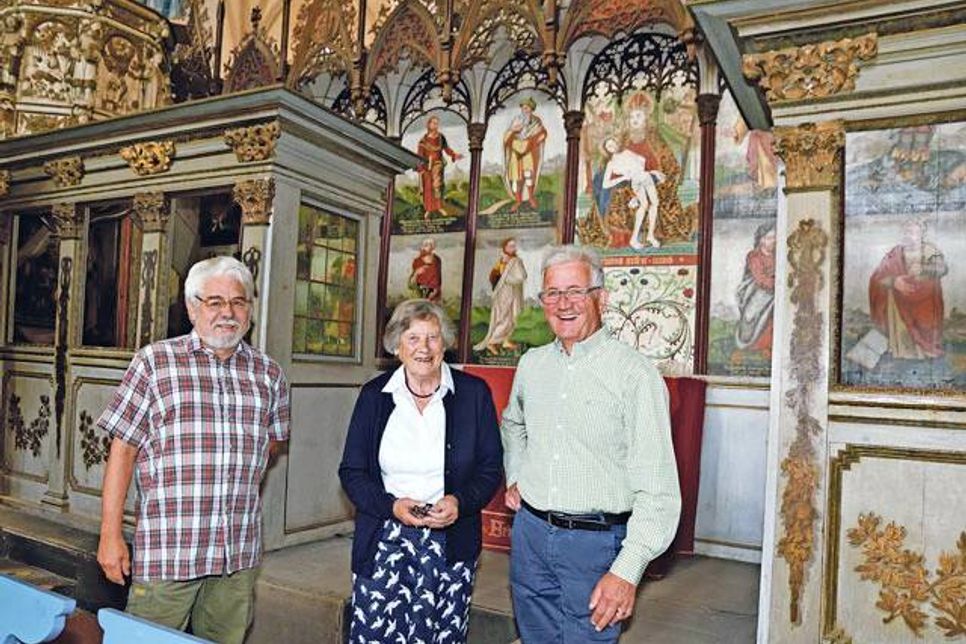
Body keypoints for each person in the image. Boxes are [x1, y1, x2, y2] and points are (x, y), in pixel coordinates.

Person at [96, 256, 290, 644]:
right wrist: (110, 534)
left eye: (239, 302)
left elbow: (269, 447)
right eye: (214, 302)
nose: (228, 313)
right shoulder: (155, 363)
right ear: (191, 307)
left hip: (236, 556)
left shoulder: (269, 374)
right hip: (170, 550)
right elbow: (124, 450)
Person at [502, 245, 680, 643]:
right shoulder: (531, 365)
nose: (563, 304)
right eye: (553, 293)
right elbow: (513, 423)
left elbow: (659, 488)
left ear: (600, 297)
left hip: (595, 547)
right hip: (529, 537)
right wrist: (516, 474)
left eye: (575, 291)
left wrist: (626, 570)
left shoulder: (635, 375)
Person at [339, 299, 503, 644]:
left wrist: (460, 501)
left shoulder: (473, 394)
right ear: (397, 346)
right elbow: (351, 472)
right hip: (385, 540)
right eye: (413, 338)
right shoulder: (374, 396)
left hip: (450, 543)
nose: (424, 348)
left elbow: (490, 468)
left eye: (433, 338)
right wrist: (392, 507)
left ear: (445, 343)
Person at [868, 218, 947, 360]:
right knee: (901, 324)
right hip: (899, 301)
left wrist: (924, 269)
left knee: (926, 326)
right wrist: (894, 281)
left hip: (925, 299)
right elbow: (878, 276)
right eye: (905, 231)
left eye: (911, 232)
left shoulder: (930, 250)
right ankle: (902, 350)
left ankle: (925, 350)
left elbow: (942, 268)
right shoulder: (895, 253)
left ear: (921, 234)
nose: (908, 235)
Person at [600, 137, 665, 249]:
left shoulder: (627, 152)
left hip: (645, 177)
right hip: (637, 181)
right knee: (645, 205)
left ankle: (649, 235)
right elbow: (605, 184)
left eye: (613, 144)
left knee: (654, 203)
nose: (613, 147)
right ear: (607, 150)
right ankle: (636, 238)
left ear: (617, 143)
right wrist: (623, 178)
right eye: (609, 146)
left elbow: (641, 162)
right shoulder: (611, 164)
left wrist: (652, 172)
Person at [474, 238, 527, 355]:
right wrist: (503, 274)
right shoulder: (502, 261)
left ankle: (505, 340)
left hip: (512, 292)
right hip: (503, 293)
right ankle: (492, 342)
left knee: (511, 318)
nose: (513, 248)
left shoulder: (516, 260)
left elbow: (522, 276)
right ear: (505, 247)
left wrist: (508, 277)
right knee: (503, 317)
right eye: (510, 246)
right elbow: (494, 276)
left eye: (514, 246)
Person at [734, 222, 777, 357]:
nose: (773, 241)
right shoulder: (754, 256)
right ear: (761, 239)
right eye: (769, 238)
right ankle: (751, 345)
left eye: (774, 238)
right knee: (751, 316)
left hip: (775, 291)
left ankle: (769, 346)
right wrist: (776, 284)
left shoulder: (779, 254)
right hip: (756, 291)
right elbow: (760, 278)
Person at [503, 97, 547, 212]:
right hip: (516, 151)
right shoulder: (517, 120)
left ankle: (531, 198)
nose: (524, 110)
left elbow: (542, 133)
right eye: (523, 108)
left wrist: (532, 142)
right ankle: (518, 200)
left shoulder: (536, 121)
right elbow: (506, 137)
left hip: (528, 151)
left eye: (526, 108)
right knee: (516, 178)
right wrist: (513, 130)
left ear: (531, 109)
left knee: (528, 175)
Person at [417, 115, 463, 220]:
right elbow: (419, 156)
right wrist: (421, 169)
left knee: (437, 186)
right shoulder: (423, 141)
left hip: (438, 165)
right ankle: (428, 209)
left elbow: (446, 149)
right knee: (428, 188)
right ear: (429, 124)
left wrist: (454, 155)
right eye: (433, 123)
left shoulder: (441, 138)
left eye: (437, 123)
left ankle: (438, 207)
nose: (436, 125)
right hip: (426, 168)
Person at [410, 237, 443, 302]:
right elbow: (411, 282)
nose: (426, 247)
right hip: (420, 290)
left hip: (434, 291)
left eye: (429, 245)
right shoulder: (417, 261)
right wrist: (417, 272)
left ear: (433, 247)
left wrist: (436, 291)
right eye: (425, 245)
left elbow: (438, 277)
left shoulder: (437, 260)